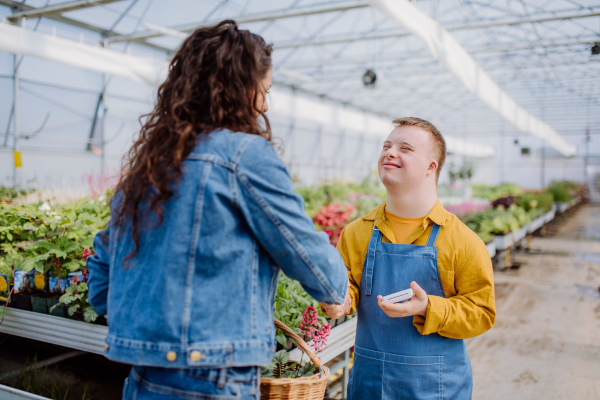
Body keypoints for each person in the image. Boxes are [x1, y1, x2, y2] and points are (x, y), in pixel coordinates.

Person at [87, 20, 348, 400]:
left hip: (144, 376)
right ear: (242, 89)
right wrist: (335, 289)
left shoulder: (151, 164)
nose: (266, 104)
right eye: (264, 90)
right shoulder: (244, 155)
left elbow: (102, 274)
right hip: (212, 376)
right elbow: (305, 252)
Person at [321, 117, 496, 400]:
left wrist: (429, 307)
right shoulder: (356, 233)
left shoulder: (463, 242)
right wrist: (340, 301)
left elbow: (482, 314)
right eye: (386, 145)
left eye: (405, 148)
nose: (390, 152)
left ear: (431, 167)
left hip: (435, 387)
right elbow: (349, 288)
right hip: (369, 384)